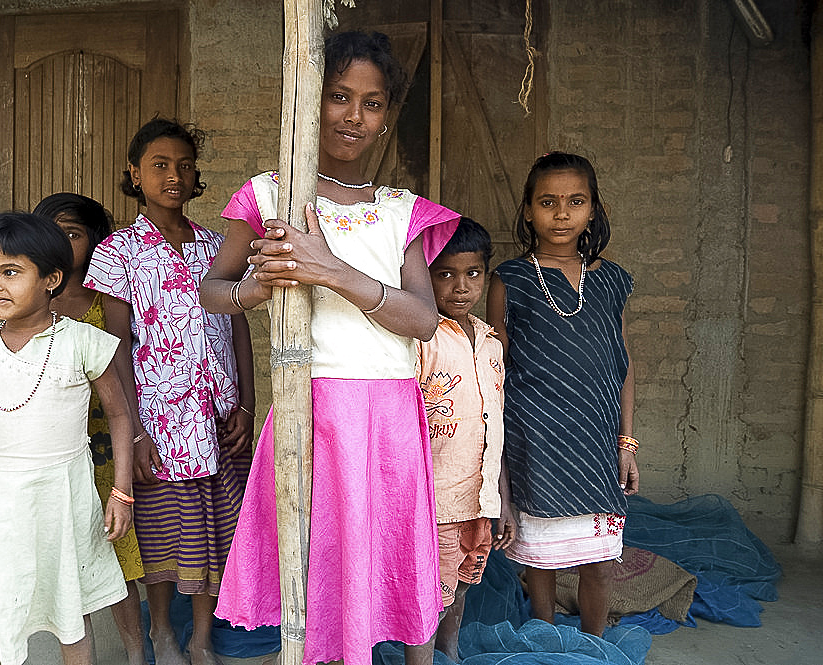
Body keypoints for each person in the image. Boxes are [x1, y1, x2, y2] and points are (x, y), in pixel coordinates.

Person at [200, 30, 460, 665]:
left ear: (385, 114)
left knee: (388, 557)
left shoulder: (402, 211)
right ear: (309, 100)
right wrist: (255, 290)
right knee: (322, 557)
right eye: (339, 96)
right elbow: (212, 290)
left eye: (372, 103)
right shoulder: (269, 195)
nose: (353, 116)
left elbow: (424, 321)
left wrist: (332, 269)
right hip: (311, 407)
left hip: (391, 414)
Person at [0, 212, 134, 665]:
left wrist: (121, 492)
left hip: (62, 494)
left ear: (52, 278)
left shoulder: (83, 342)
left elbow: (118, 413)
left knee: (68, 604)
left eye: (10, 272)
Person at [84, 116, 256, 665]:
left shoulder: (215, 246)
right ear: (134, 173)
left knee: (216, 534)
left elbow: (238, 328)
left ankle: (201, 638)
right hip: (158, 422)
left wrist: (246, 404)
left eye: (185, 166)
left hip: (218, 414)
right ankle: (161, 631)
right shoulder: (117, 251)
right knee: (161, 534)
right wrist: (131, 432)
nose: (174, 176)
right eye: (160, 165)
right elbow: (114, 346)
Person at [485, 151, 640, 637]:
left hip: (595, 441)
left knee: (598, 561)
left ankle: (594, 645)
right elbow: (494, 366)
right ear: (528, 210)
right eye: (547, 202)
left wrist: (626, 443)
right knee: (542, 561)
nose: (561, 213)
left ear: (593, 209)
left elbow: (623, 365)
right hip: (536, 440)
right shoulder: (509, 280)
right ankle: (544, 640)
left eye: (575, 201)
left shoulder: (611, 280)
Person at [33, 193, 147, 665]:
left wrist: (138, 433)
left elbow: (127, 369)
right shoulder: (31, 302)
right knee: (61, 556)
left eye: (74, 233)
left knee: (121, 557)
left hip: (105, 444)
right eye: (53, 232)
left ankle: (138, 652)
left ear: (95, 241)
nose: (62, 242)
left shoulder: (105, 300)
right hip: (54, 446)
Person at [408, 217, 516, 663]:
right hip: (434, 498)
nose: (461, 287)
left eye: (473, 274)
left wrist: (502, 498)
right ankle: (423, 657)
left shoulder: (491, 342)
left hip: (480, 497)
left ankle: (448, 651)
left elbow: (495, 429)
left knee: (463, 580)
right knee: (430, 588)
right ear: (422, 276)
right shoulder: (421, 337)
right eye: (445, 274)